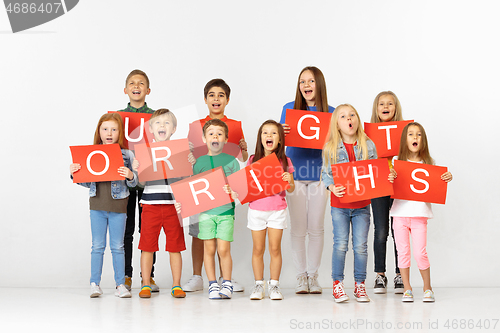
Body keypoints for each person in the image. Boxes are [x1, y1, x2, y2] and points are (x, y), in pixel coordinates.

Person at [183, 79, 247, 293]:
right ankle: (197, 276)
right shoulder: (194, 126)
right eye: (212, 95)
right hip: (199, 187)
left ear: (227, 99)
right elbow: (186, 159)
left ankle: (223, 278)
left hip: (222, 193)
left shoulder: (235, 125)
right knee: (197, 233)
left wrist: (245, 150)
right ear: (205, 99)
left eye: (221, 95)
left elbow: (240, 160)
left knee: (221, 239)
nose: (216, 99)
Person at [70, 113, 137, 298]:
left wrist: (130, 175)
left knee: (118, 247)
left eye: (114, 129)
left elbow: (134, 183)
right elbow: (86, 182)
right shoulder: (92, 154)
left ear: (120, 133)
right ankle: (94, 283)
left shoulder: (127, 154)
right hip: (97, 206)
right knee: (97, 246)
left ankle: (120, 285)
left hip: (118, 207)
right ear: (99, 132)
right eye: (105, 129)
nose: (109, 133)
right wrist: (75, 173)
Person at [279, 66, 334, 294]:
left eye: (311, 81)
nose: (306, 85)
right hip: (295, 174)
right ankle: (301, 277)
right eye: (302, 81)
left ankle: (313, 276)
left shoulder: (331, 112)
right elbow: (281, 142)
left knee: (316, 228)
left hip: (320, 174)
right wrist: (280, 132)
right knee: (298, 229)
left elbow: (334, 146)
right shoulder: (289, 108)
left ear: (318, 84)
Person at [389, 122, 452, 302]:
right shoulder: (396, 162)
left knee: (420, 253)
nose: (415, 137)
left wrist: (446, 177)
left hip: (419, 215)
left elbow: (436, 183)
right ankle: (407, 288)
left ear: (423, 140)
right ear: (404, 140)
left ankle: (427, 286)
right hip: (399, 215)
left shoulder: (429, 163)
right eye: (410, 134)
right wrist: (391, 177)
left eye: (418, 135)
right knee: (403, 252)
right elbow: (390, 186)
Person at [177, 119, 240, 299]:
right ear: (204, 139)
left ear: (225, 139)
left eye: (219, 134)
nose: (215, 136)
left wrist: (232, 190)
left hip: (226, 213)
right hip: (205, 214)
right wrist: (182, 203)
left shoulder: (232, 161)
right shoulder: (199, 162)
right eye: (211, 133)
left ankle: (226, 283)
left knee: (223, 249)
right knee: (209, 249)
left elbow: (239, 189)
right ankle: (212, 284)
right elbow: (192, 189)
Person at [321, 104, 377, 303]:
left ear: (357, 120)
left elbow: (374, 172)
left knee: (360, 246)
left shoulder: (368, 145)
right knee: (340, 245)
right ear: (337, 124)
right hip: (340, 205)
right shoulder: (330, 147)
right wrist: (332, 188)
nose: (349, 119)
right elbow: (326, 175)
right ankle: (337, 284)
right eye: (343, 116)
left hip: (362, 205)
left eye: (352, 115)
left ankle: (360, 285)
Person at [137, 109, 195, 299]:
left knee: (175, 247)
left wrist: (190, 164)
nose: (162, 126)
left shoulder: (180, 151)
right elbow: (141, 184)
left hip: (173, 206)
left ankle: (176, 285)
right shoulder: (145, 151)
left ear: (174, 129)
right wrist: (139, 170)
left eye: (167, 123)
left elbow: (185, 179)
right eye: (158, 123)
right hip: (150, 205)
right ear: (151, 129)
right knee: (147, 246)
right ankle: (146, 283)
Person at [119, 69, 159, 292]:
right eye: (132, 83)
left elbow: (164, 143)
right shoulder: (116, 116)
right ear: (125, 90)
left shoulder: (155, 117)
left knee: (148, 229)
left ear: (148, 90)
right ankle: (126, 275)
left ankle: (148, 276)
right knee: (126, 230)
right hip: (123, 181)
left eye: (141, 83)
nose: (137, 86)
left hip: (149, 181)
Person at [247, 120, 295, 300]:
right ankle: (259, 284)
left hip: (277, 211)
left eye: (273, 133)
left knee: (275, 249)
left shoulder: (285, 160)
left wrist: (288, 180)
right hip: (257, 211)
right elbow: (247, 187)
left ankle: (274, 285)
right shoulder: (253, 160)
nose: (269, 136)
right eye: (265, 133)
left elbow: (291, 189)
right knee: (258, 249)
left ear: (280, 140)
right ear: (260, 139)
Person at [370, 90, 405, 294]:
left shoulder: (404, 131)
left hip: (399, 185)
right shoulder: (369, 134)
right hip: (379, 186)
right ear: (376, 109)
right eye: (381, 104)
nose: (385, 107)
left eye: (390, 104)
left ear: (396, 108)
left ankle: (400, 274)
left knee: (397, 231)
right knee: (381, 230)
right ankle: (380, 275)